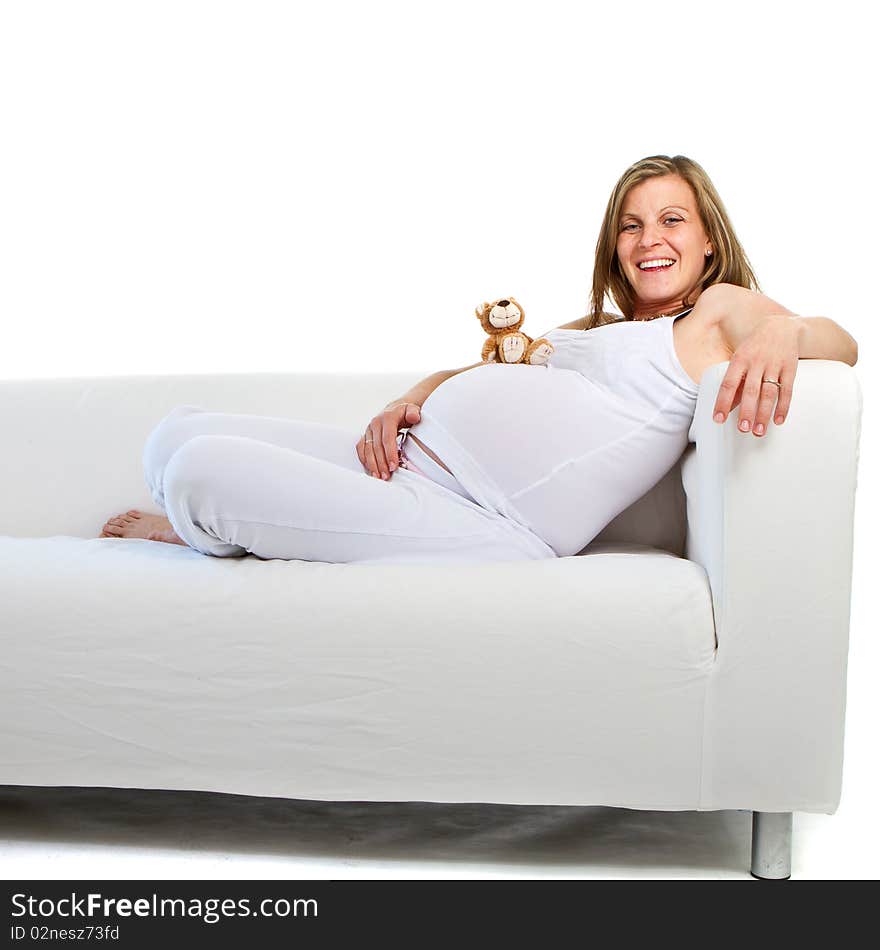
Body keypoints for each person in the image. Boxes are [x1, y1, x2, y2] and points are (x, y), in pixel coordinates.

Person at [99, 154, 858, 563]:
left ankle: (203, 530)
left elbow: (841, 344)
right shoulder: (592, 326)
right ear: (614, 247)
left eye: (670, 219)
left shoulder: (718, 310)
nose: (648, 238)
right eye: (630, 226)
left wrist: (784, 331)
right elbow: (482, 372)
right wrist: (415, 396)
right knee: (173, 434)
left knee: (198, 473)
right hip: (410, 460)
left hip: (474, 516)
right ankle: (235, 522)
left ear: (706, 239)